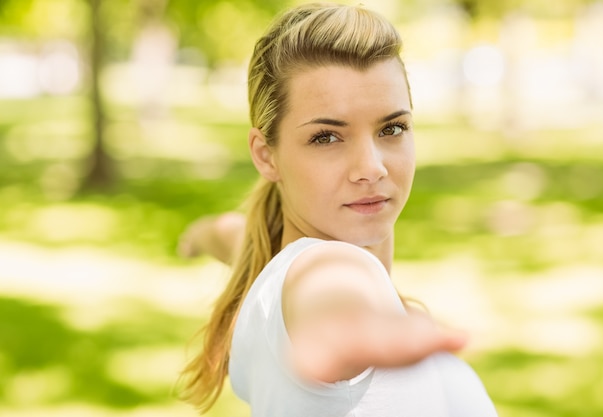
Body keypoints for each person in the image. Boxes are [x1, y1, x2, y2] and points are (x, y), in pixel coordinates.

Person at [177, 3, 498, 416]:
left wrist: (200, 235)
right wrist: (346, 332)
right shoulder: (331, 270)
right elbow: (329, 291)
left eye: (392, 128)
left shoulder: (269, 260)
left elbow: (233, 235)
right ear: (265, 155)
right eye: (327, 137)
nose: (371, 168)